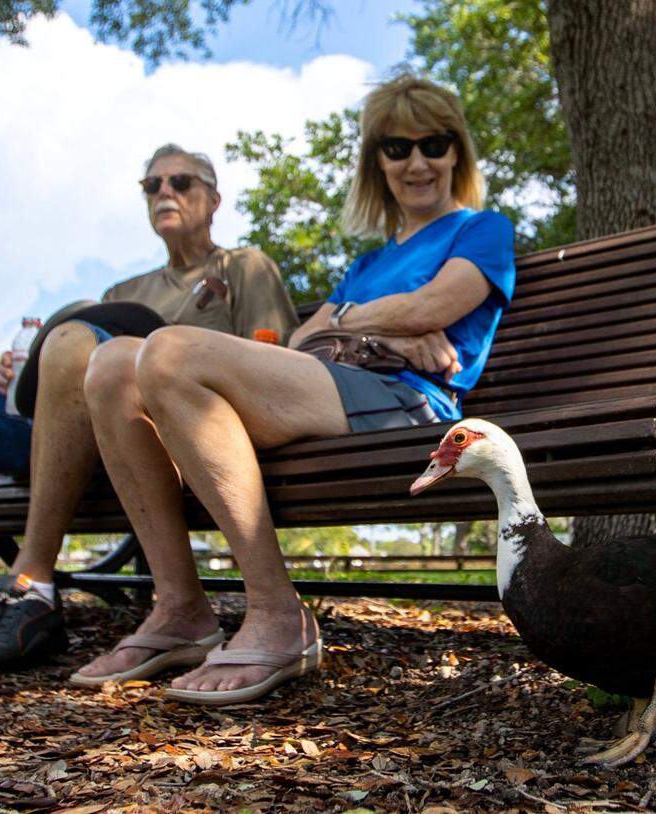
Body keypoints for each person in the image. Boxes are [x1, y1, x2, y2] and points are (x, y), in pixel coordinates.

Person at [72, 75, 515, 703]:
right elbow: (305, 337)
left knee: (167, 351)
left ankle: (279, 615)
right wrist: (381, 322)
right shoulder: (367, 263)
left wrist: (369, 323)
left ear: (456, 154)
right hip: (336, 385)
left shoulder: (481, 229)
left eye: (434, 144)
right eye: (396, 148)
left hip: (410, 404)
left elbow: (434, 307)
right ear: (377, 164)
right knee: (114, 362)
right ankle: (179, 608)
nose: (417, 162)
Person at [0, 146, 299, 676]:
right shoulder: (124, 290)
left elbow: (268, 363)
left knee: (75, 343)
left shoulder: (245, 266)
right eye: (153, 185)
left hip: (160, 425)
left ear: (214, 200)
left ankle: (30, 587)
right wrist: (26, 374)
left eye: (182, 182)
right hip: (74, 427)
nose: (165, 192)